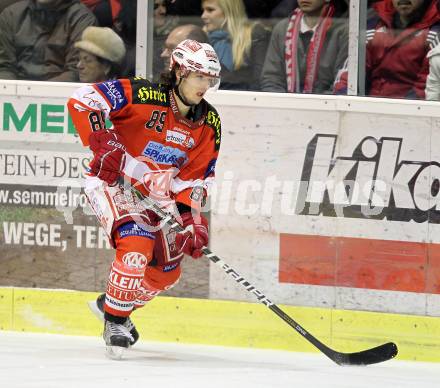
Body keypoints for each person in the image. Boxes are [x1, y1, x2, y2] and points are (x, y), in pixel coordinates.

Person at [67, 39, 222, 358]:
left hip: (156, 195)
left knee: (167, 272)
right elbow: (84, 100)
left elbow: (193, 179)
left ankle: (109, 305)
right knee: (135, 246)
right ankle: (115, 320)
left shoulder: (209, 123)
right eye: (198, 77)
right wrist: (103, 143)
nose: (204, 86)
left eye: (210, 79)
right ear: (179, 72)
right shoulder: (143, 94)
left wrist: (191, 219)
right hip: (113, 182)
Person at [334, 0, 440, 98]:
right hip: (367, 109)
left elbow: (426, 89)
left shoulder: (434, 35)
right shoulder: (373, 27)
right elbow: (347, 78)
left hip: (410, 113)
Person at [260, 0, 348, 94]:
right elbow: (271, 79)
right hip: (285, 105)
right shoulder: (282, 29)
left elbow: (341, 85)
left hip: (325, 106)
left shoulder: (343, 32)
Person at [0, 0, 97, 81]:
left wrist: (41, 94)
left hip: (61, 94)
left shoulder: (82, 19)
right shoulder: (11, 15)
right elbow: (3, 66)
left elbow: (77, 71)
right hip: (15, 92)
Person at [201, 0, 271, 91]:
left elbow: (260, 81)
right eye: (203, 10)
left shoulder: (253, 35)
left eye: (210, 10)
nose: (203, 16)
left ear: (229, 11)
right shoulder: (203, 38)